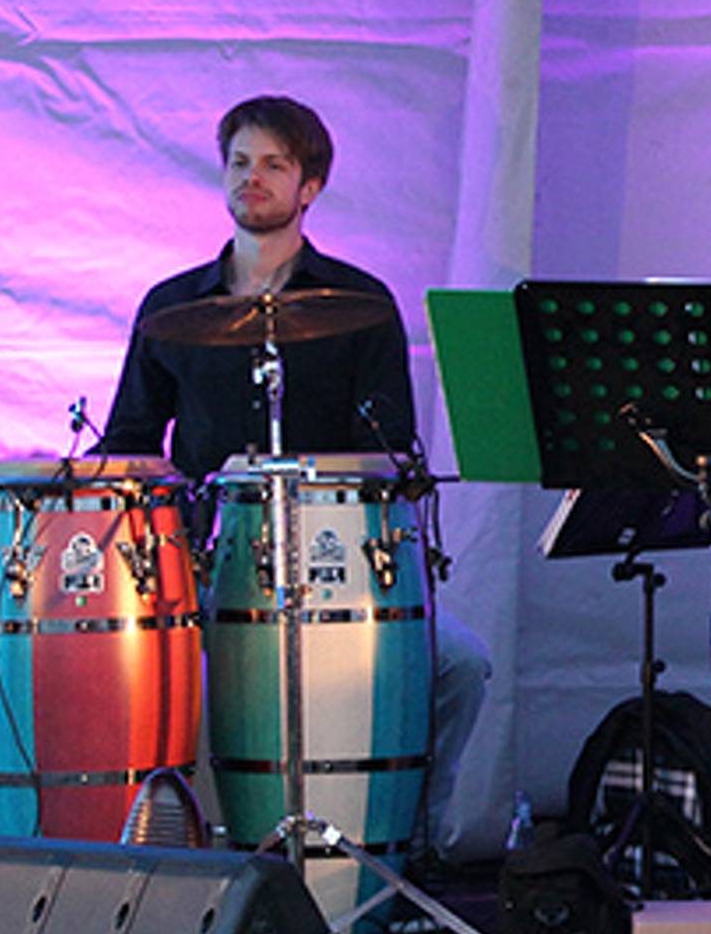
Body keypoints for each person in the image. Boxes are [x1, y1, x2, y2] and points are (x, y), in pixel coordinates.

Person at [103, 94, 504, 862]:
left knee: (459, 665)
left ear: (309, 185)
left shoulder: (359, 304)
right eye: (239, 163)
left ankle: (399, 849)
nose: (250, 179)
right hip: (207, 566)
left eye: (272, 165)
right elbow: (127, 446)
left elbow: (389, 451)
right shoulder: (171, 306)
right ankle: (186, 853)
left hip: (334, 563)